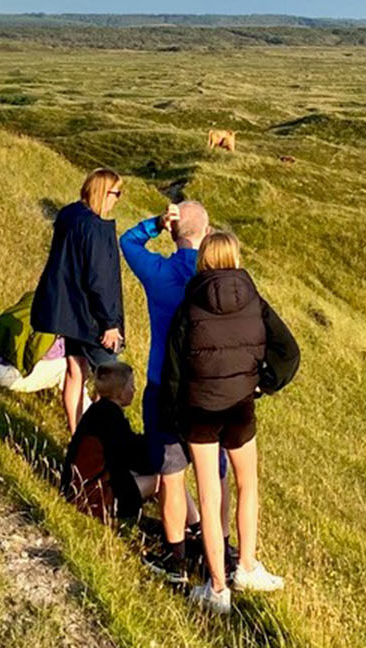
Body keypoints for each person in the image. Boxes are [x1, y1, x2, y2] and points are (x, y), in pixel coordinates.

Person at [160, 231, 301, 613]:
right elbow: (289, 351)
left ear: (203, 259)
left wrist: (173, 413)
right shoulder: (254, 300)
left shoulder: (189, 304)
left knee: (209, 494)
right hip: (241, 405)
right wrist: (265, 384)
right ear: (236, 257)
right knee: (247, 484)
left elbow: (172, 369)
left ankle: (217, 587)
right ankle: (248, 566)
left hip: (199, 410)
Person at [122, 200, 224, 583]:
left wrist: (154, 224)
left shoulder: (159, 273)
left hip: (163, 385)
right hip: (207, 390)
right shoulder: (214, 276)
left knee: (171, 474)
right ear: (206, 232)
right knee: (213, 478)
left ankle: (175, 556)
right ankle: (221, 551)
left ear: (173, 230)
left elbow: (128, 242)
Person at [30, 168, 125, 434]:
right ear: (104, 193)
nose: (117, 199)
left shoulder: (69, 214)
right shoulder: (95, 227)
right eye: (117, 193)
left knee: (75, 371)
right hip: (92, 317)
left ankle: (76, 433)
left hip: (68, 314)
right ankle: (98, 438)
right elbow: (99, 280)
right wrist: (109, 323)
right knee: (112, 378)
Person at [63, 361, 159, 524]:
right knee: (165, 479)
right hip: (94, 499)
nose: (134, 390)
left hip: (74, 490)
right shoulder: (113, 419)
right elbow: (133, 456)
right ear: (120, 393)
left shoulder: (96, 411)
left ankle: (185, 523)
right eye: (131, 386)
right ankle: (189, 525)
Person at [0, 289, 67, 393]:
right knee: (70, 364)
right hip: (6, 376)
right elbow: (33, 355)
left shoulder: (35, 295)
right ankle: (82, 403)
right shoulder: (53, 322)